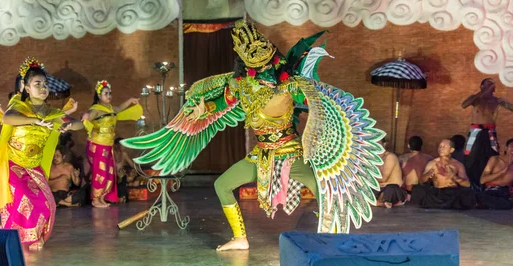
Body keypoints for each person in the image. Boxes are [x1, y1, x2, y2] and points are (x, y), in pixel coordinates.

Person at [122, 20, 385, 250]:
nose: (262, 71)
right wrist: (205, 108)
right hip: (260, 155)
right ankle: (240, 238)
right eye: (256, 68)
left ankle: (335, 237)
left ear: (274, 60)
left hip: (290, 153)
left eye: (266, 65)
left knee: (325, 190)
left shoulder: (290, 86)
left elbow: (317, 102)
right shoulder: (242, 86)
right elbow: (222, 105)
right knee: (222, 184)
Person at [0, 58, 85, 250]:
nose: (43, 88)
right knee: (21, 198)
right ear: (26, 87)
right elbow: (6, 118)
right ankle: (14, 234)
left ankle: (38, 235)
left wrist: (68, 124)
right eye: (37, 84)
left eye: (45, 84)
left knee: (47, 202)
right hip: (13, 162)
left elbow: (80, 123)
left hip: (34, 165)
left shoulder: (52, 112)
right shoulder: (19, 106)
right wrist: (34, 120)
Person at [82, 80, 141, 208]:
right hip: (97, 145)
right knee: (100, 172)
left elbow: (119, 108)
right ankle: (96, 199)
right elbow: (88, 115)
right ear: (99, 95)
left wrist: (130, 100)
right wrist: (85, 115)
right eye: (105, 93)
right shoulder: (96, 109)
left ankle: (102, 198)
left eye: (110, 93)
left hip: (108, 146)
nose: (109, 96)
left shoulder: (110, 108)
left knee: (109, 172)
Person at [411, 139, 476, 209]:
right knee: (417, 189)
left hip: (452, 194)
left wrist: (454, 177)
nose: (441, 149)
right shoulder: (432, 163)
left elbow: (467, 184)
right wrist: (428, 175)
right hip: (437, 193)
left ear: (451, 150)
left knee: (468, 192)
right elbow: (421, 181)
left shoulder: (458, 165)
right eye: (440, 146)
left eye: (444, 147)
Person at [461, 78, 513, 155]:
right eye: (488, 83)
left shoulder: (496, 100)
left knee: (493, 151)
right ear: (482, 86)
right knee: (469, 151)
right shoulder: (475, 98)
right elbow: (464, 105)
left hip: (490, 129)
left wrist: (505, 103)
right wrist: (483, 91)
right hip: (475, 128)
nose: (491, 85)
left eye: (492, 84)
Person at [376, 137, 406, 208]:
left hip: (393, 189)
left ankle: (381, 201)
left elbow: (383, 179)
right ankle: (381, 203)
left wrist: (368, 180)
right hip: (380, 187)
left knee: (391, 188)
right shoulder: (374, 159)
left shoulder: (390, 157)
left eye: (378, 144)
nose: (375, 146)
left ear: (384, 144)